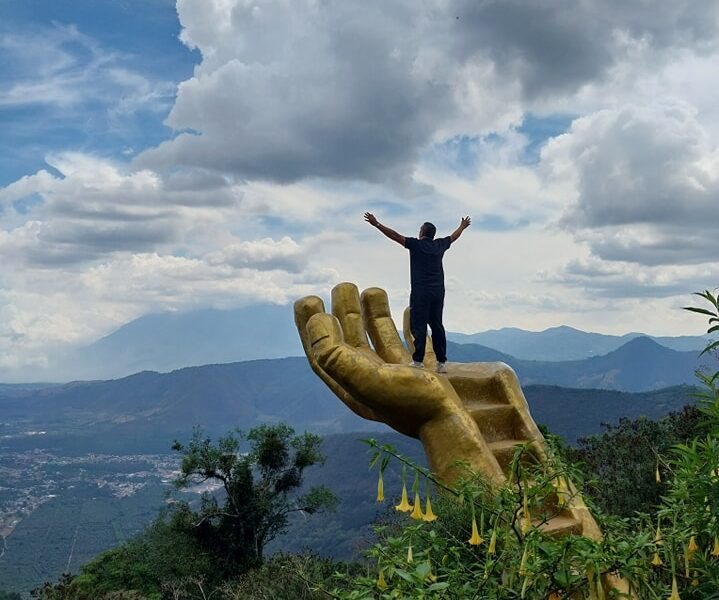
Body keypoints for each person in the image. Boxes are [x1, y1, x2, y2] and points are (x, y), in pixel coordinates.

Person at [363, 212, 471, 373]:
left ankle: (418, 361)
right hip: (438, 292)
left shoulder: (416, 245)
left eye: (420, 229)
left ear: (422, 233)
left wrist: (377, 224)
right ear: (432, 235)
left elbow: (395, 236)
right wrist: (462, 226)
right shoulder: (439, 245)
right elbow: (453, 237)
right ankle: (441, 363)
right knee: (437, 325)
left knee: (418, 325)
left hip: (421, 292)